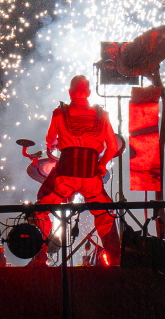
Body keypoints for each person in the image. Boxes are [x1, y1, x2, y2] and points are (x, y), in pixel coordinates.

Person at [34, 74, 121, 263]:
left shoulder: (59, 113)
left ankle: (39, 258)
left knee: (41, 209)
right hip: (91, 179)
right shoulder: (102, 115)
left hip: (64, 178)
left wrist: (54, 145)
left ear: (70, 92)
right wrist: (102, 164)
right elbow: (112, 147)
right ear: (89, 92)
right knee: (105, 214)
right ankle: (116, 261)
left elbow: (50, 141)